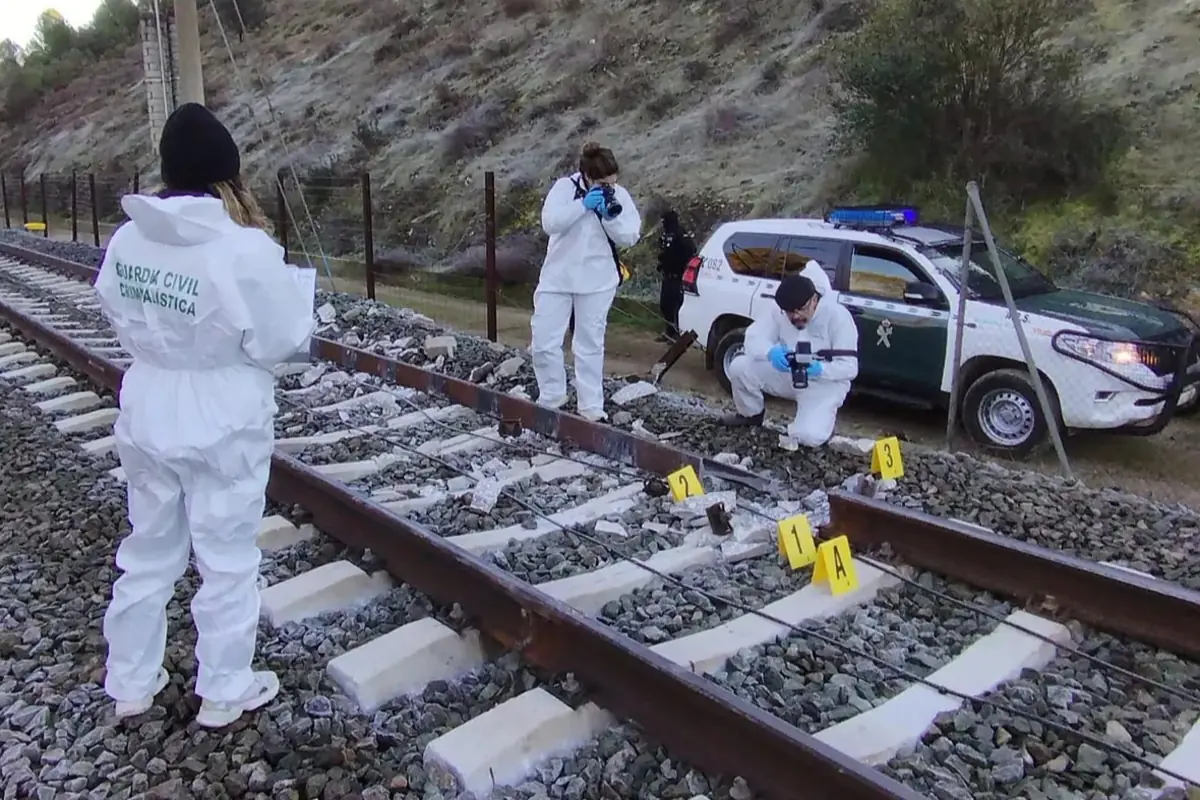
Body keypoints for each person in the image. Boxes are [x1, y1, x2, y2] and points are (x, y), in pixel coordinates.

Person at [95, 103, 316, 728]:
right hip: (224, 415)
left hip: (148, 405)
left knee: (147, 550)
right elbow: (282, 341)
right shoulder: (244, 249)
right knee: (226, 557)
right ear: (229, 176)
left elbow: (115, 310)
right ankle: (223, 689)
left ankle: (131, 683)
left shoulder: (129, 238)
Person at [531, 142, 641, 421]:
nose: (610, 187)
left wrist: (608, 216)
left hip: (597, 280)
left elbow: (629, 236)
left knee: (589, 344)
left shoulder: (619, 196)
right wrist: (583, 205)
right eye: (604, 183)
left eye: (613, 182)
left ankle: (591, 406)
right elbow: (550, 223)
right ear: (587, 177)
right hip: (558, 276)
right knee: (544, 340)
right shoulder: (564, 189)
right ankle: (552, 394)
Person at [722, 262, 858, 448]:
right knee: (739, 367)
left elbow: (850, 368)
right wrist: (771, 352)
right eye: (789, 312)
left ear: (814, 300)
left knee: (807, 437)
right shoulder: (780, 311)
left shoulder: (838, 317)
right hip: (788, 374)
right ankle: (750, 415)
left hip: (823, 383)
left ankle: (821, 424)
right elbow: (753, 337)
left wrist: (819, 369)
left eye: (800, 310)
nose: (795, 317)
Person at [656, 209, 696, 342]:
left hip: (678, 276)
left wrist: (678, 264)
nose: (662, 223)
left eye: (664, 220)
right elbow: (664, 252)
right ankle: (669, 332)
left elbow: (690, 251)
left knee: (676, 306)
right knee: (665, 305)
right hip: (667, 275)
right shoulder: (666, 234)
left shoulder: (680, 234)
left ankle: (678, 333)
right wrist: (663, 263)